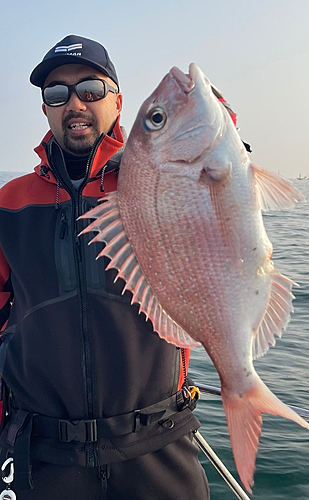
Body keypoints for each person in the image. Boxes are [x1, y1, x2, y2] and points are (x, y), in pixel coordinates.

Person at [0, 35, 210, 500]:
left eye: (90, 90)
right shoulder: (8, 203)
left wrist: (208, 118)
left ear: (118, 101)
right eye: (57, 94)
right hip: (43, 457)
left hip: (158, 447)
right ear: (46, 110)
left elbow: (211, 167)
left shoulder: (153, 178)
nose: (74, 103)